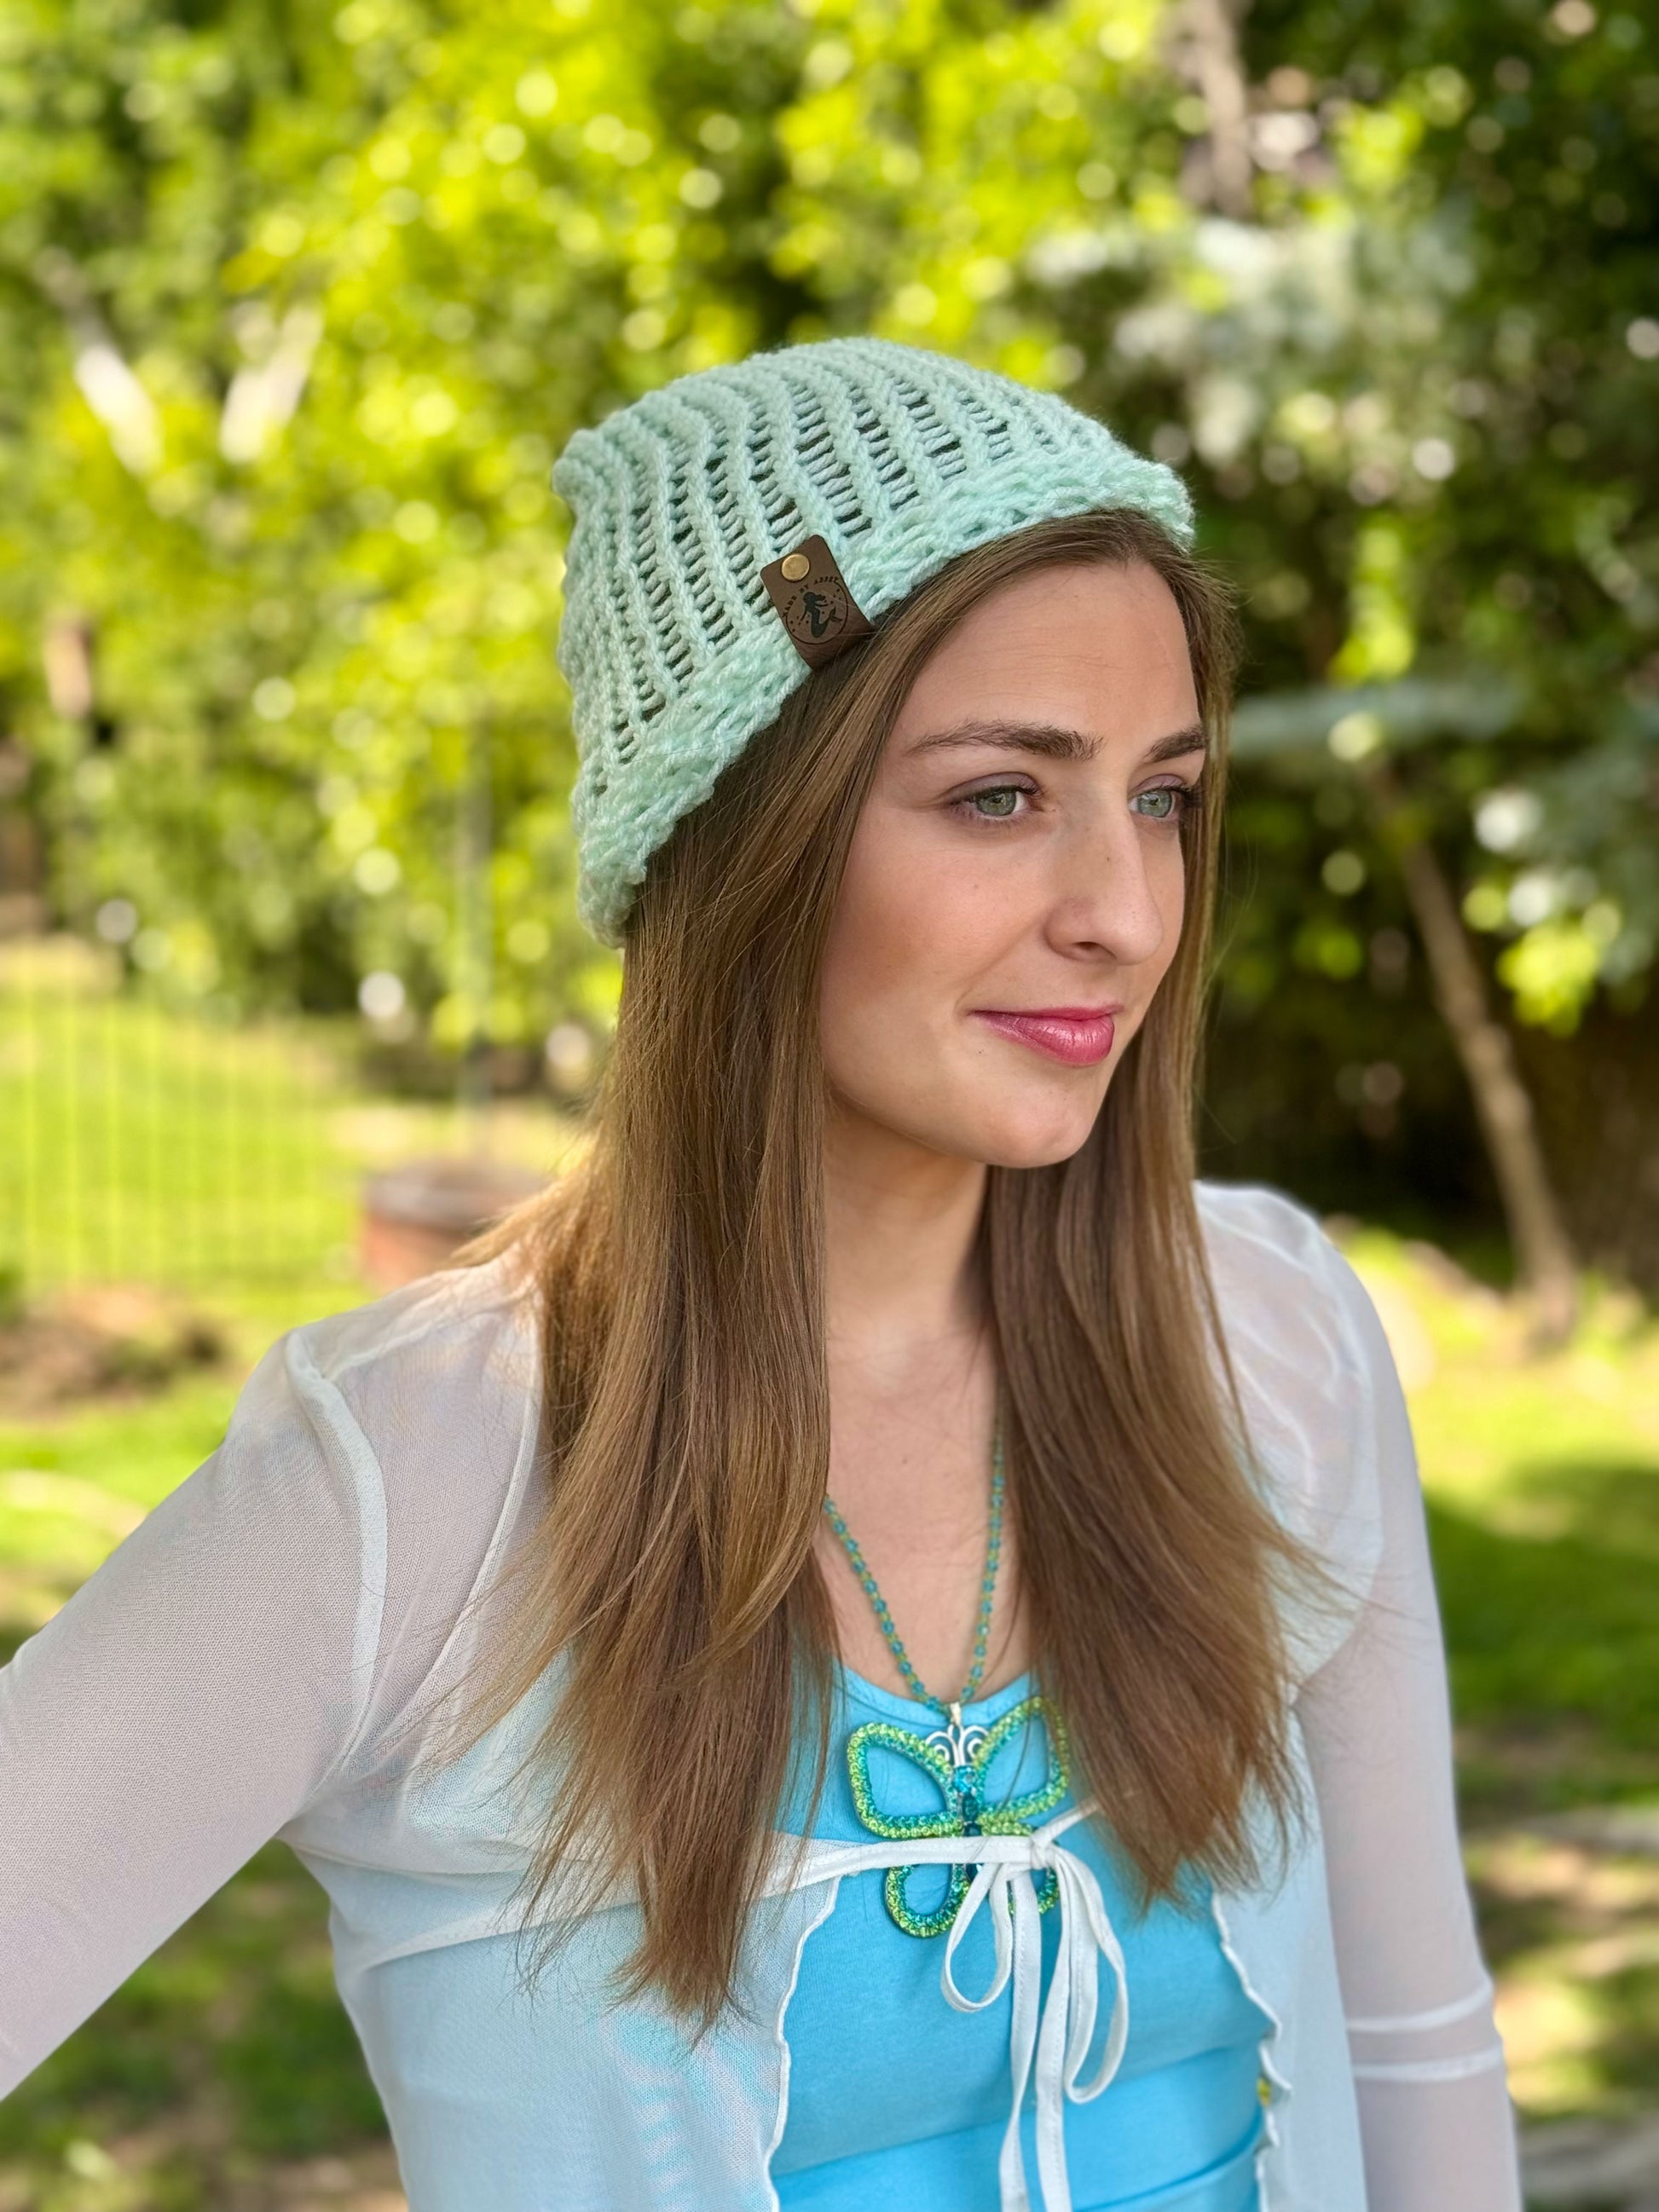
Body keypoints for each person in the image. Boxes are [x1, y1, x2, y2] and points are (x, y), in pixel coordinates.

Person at [0, 338, 1523, 2212]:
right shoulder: (416, 1470)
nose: (1126, 914)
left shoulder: (1269, 1339)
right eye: (999, 795)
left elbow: (1414, 2041)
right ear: (741, 831)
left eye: (1161, 795)